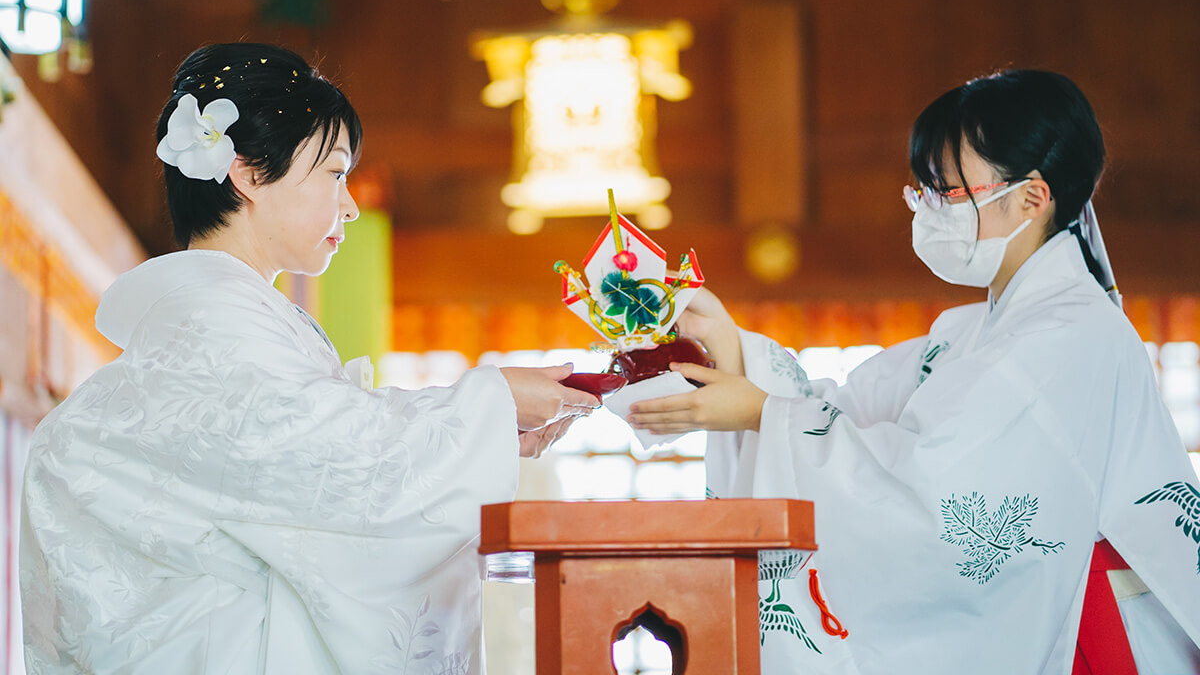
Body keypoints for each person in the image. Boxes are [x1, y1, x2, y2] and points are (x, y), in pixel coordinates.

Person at [20, 42, 597, 674]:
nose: (350, 203)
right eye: (335, 172)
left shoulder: (223, 329)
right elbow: (336, 457)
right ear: (247, 172)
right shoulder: (217, 329)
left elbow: (316, 445)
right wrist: (489, 408)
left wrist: (488, 430)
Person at [628, 70, 1200, 674]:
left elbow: (933, 490)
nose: (928, 208)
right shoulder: (969, 332)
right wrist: (726, 342)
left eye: (947, 192)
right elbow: (847, 412)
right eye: (923, 190)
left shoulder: (1070, 335)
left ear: (1032, 197)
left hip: (1073, 623)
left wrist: (756, 411)